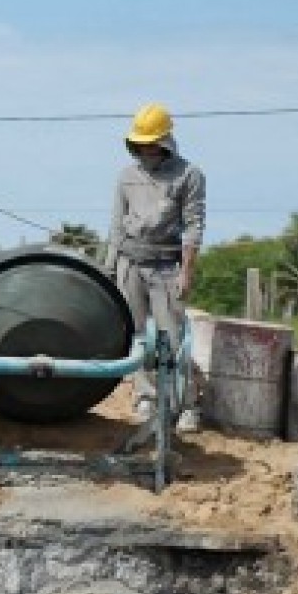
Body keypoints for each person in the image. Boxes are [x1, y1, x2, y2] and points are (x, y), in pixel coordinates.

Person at [103, 102, 207, 432]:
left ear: (164, 140)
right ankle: (144, 397)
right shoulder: (126, 177)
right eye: (140, 142)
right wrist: (109, 270)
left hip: (166, 266)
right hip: (130, 264)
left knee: (173, 337)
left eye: (151, 142)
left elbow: (194, 226)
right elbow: (116, 228)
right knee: (134, 337)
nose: (145, 149)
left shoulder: (189, 176)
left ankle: (187, 404)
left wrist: (187, 271)